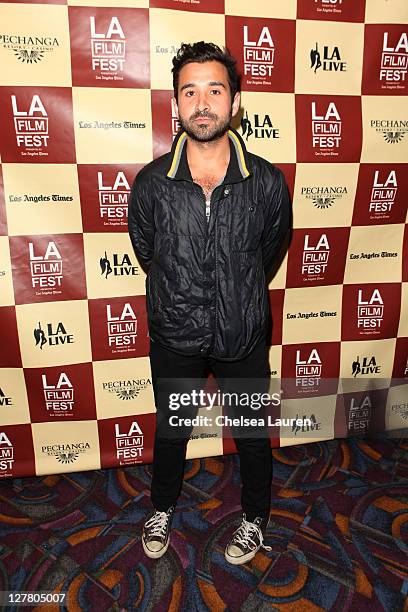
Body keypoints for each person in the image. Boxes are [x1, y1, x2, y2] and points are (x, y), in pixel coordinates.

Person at [128, 41, 291, 565]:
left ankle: (255, 517)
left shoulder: (265, 180)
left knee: (251, 437)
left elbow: (270, 249)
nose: (202, 102)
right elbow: (149, 252)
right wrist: (189, 298)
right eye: (190, 91)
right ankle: (162, 507)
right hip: (176, 332)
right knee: (171, 432)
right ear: (176, 105)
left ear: (235, 101)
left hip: (242, 333)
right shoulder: (152, 184)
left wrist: (235, 294)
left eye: (214, 90)